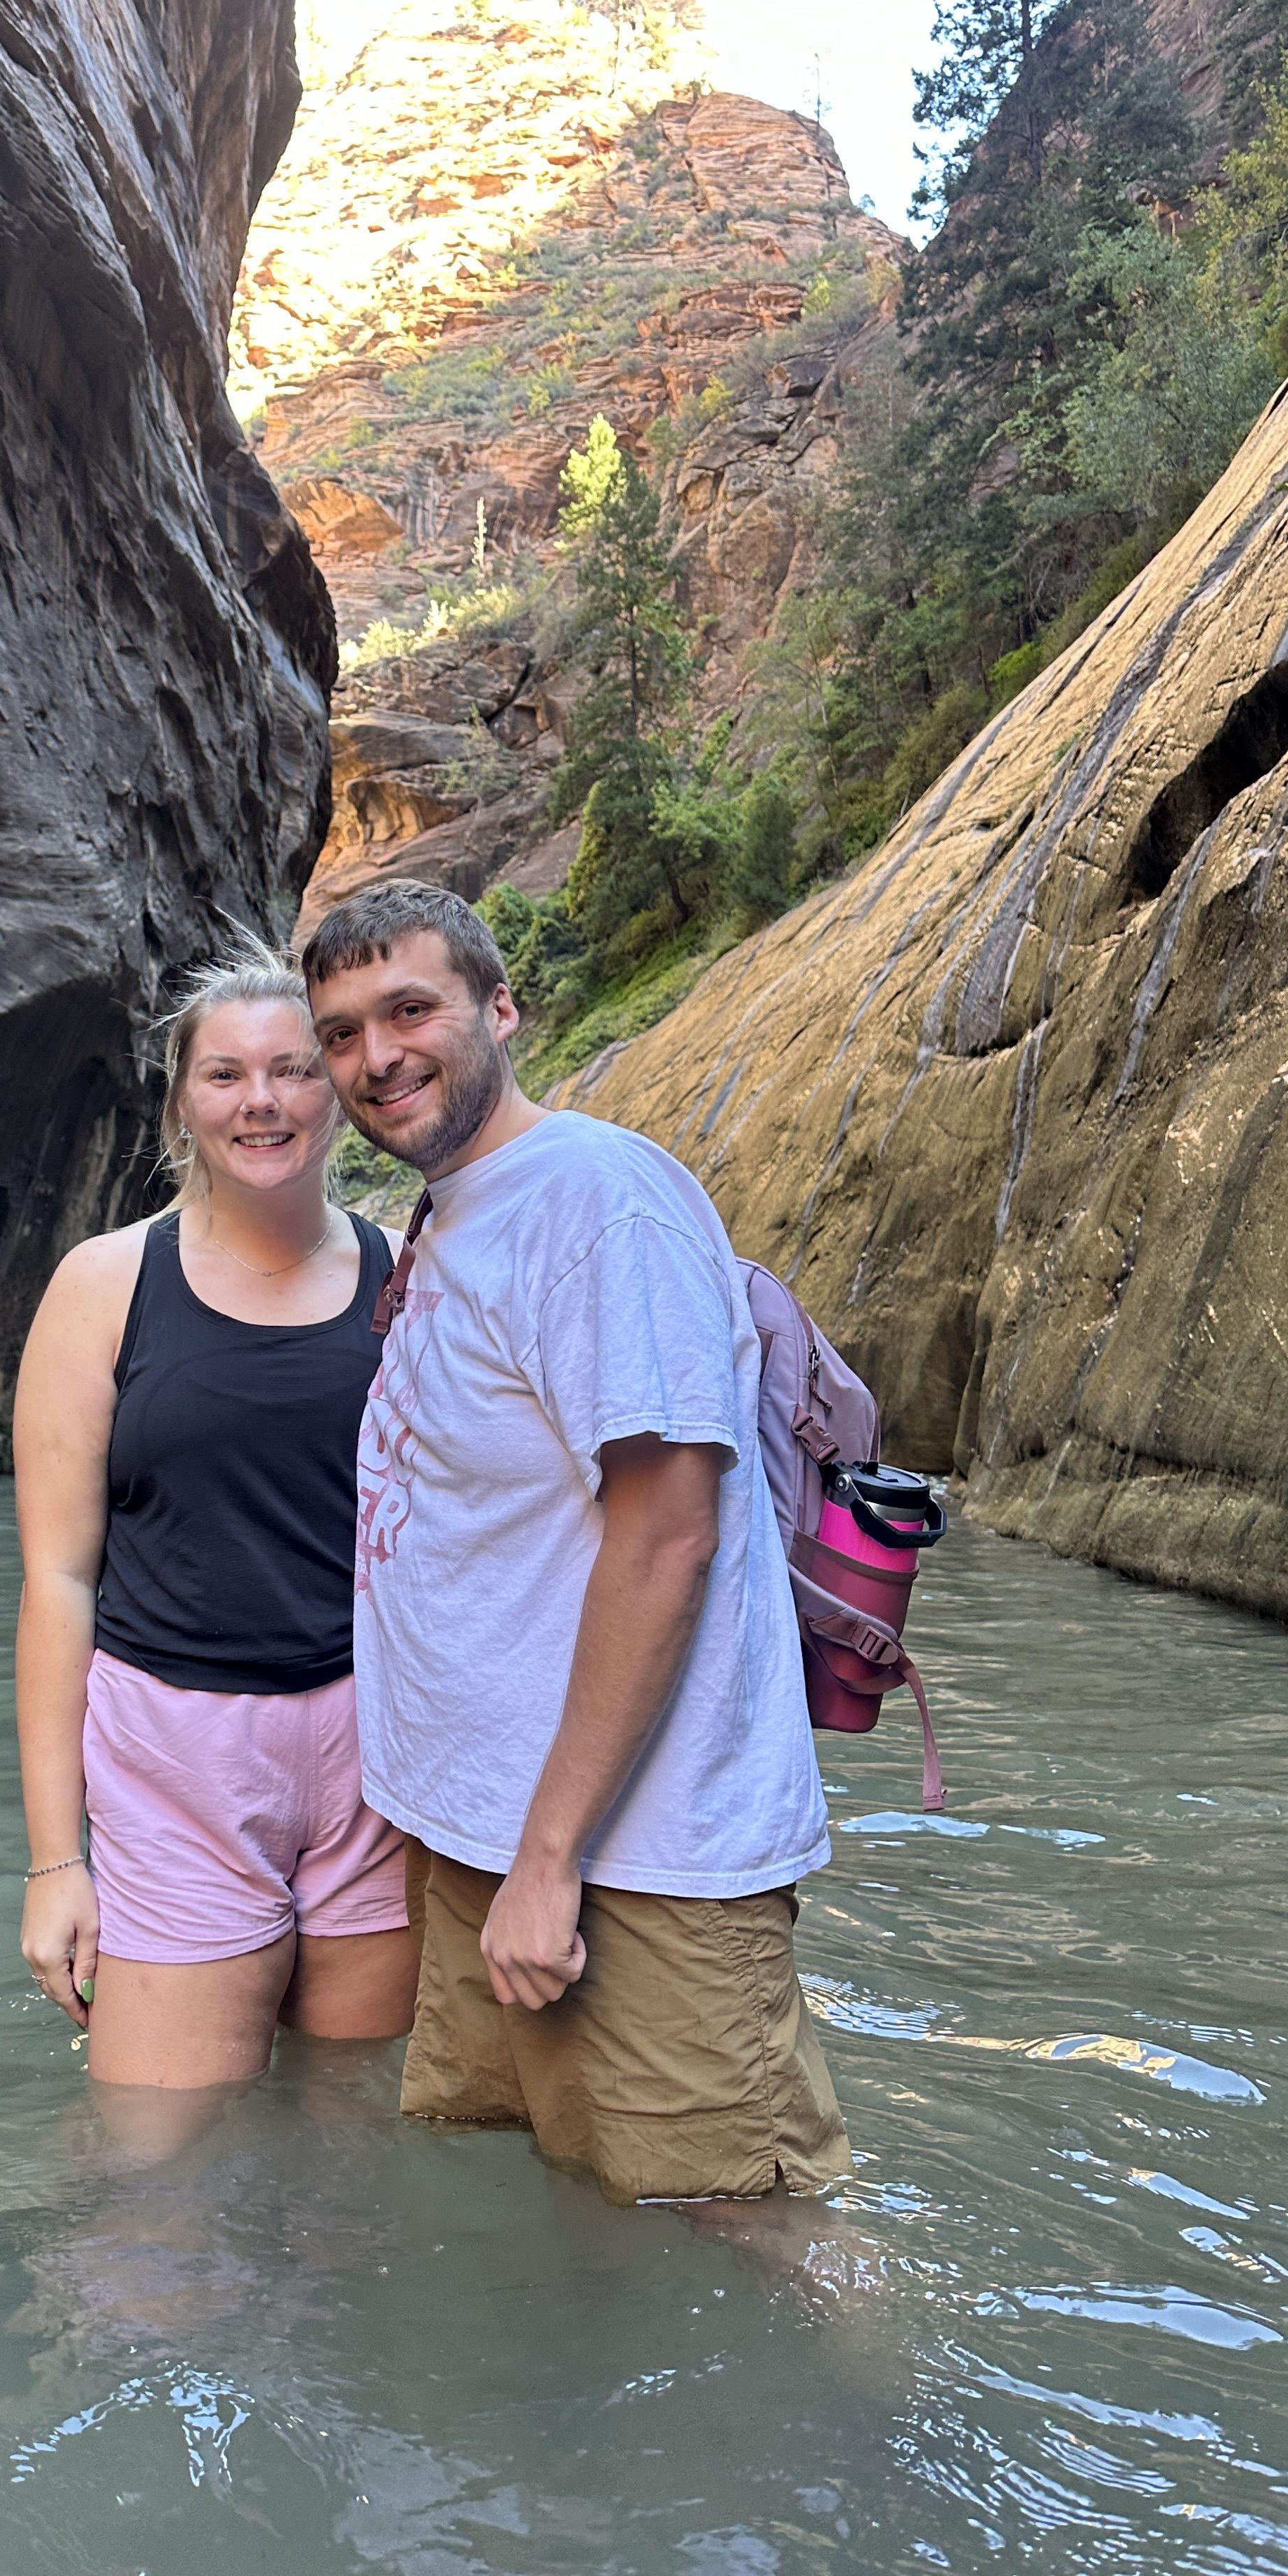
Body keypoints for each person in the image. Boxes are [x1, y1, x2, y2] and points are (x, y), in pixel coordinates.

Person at [300, 880, 851, 2208]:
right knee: (544, 2208)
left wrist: (549, 1862)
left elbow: (668, 1539)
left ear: (502, 1008)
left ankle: (860, 2428)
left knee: (742, 2236)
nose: (376, 1057)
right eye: (341, 1032)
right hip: (490, 1839)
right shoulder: (457, 1218)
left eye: (411, 1008)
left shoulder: (597, 1202)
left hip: (634, 1860)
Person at [13, 942, 419, 2094]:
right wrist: (57, 1862)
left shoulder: (408, 1279)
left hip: (374, 1759)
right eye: (227, 1075)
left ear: (336, 1090)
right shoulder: (102, 1285)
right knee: (154, 2178)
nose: (263, 1102)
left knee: (352, 2148)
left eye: (295, 1070)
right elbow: (57, 1580)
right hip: (172, 1756)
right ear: (181, 1102)